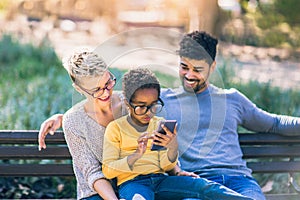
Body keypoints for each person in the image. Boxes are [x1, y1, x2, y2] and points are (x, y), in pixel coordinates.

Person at [38, 31, 300, 200]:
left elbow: (274, 122)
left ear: (213, 67)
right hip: (167, 184)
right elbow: (104, 106)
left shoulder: (231, 99)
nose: (188, 74)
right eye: (184, 66)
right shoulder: (165, 101)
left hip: (232, 180)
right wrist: (65, 118)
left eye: (198, 68)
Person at [102, 67, 252, 200]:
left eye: (153, 105)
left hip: (162, 180)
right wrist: (135, 155)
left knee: (203, 186)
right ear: (128, 104)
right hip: (132, 184)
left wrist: (172, 147)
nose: (148, 112)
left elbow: (166, 166)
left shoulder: (158, 123)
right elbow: (108, 171)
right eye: (141, 107)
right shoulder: (115, 129)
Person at [54, 50, 126, 200]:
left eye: (108, 83)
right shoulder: (73, 121)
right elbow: (92, 172)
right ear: (79, 89)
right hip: (95, 192)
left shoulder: (130, 102)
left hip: (135, 182)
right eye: (96, 90)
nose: (106, 93)